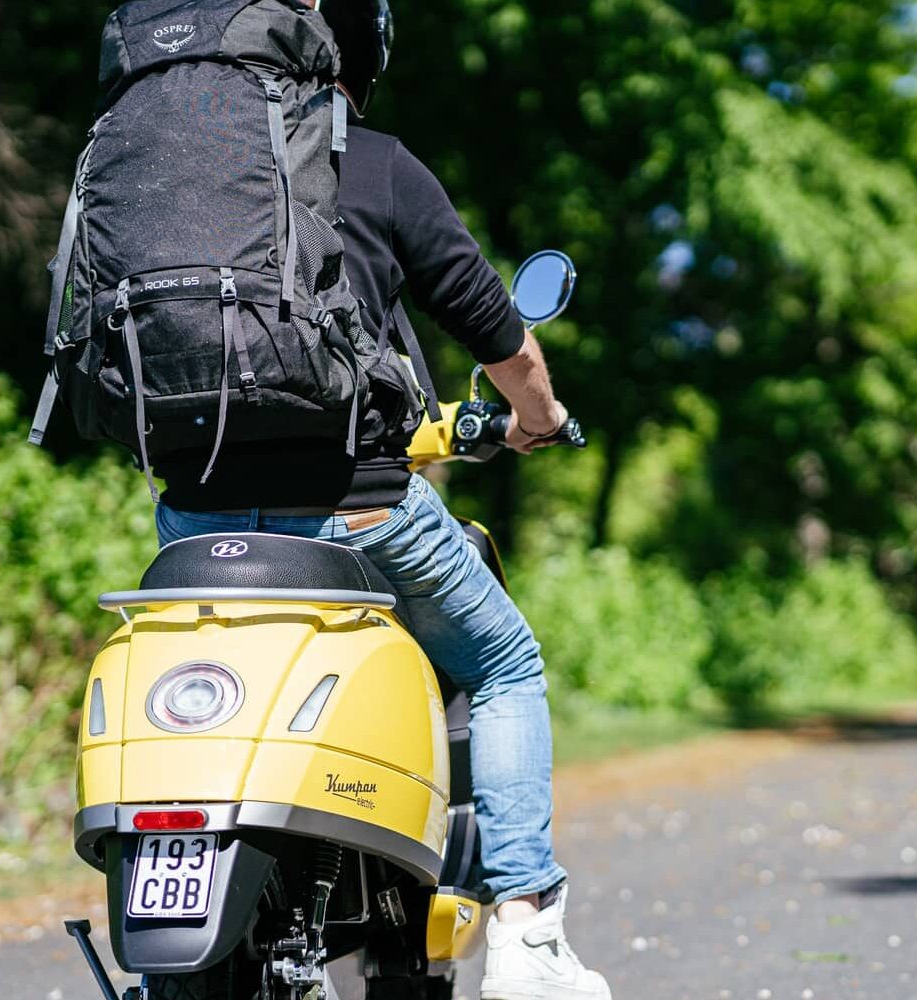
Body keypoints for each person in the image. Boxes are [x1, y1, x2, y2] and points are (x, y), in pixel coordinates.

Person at [150, 3, 610, 998]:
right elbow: (500, 332)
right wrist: (535, 413)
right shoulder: (377, 165)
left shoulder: (175, 177)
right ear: (365, 60)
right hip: (353, 509)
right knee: (503, 661)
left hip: (192, 517)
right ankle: (526, 928)